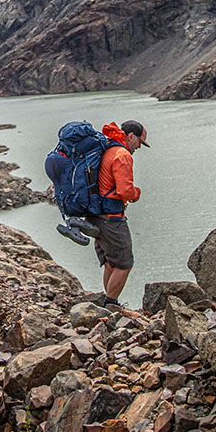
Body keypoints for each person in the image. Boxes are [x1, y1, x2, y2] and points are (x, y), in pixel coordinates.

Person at [89, 120, 149, 306]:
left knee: (110, 262)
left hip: (96, 215)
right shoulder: (122, 155)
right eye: (139, 141)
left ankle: (106, 303)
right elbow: (125, 191)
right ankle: (111, 304)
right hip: (111, 218)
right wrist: (137, 193)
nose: (139, 146)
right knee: (124, 264)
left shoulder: (108, 148)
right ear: (131, 136)